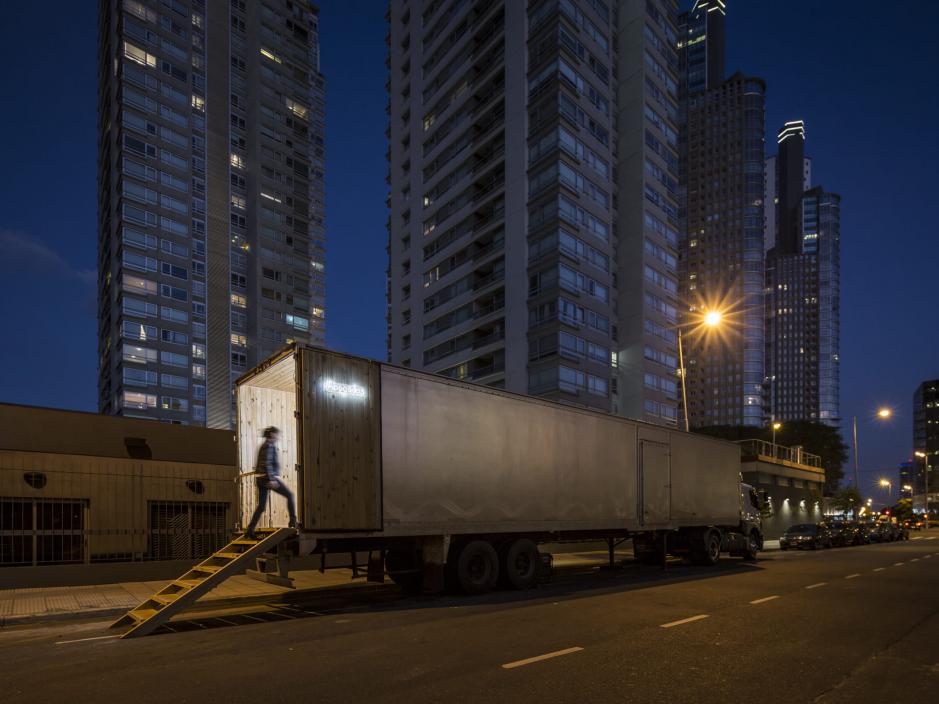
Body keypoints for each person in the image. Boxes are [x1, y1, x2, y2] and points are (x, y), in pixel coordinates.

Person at [245, 426, 297, 539]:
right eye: (277, 434)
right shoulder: (269, 446)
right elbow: (266, 463)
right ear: (272, 434)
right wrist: (272, 479)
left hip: (261, 478)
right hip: (267, 478)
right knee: (290, 495)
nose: (278, 436)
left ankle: (249, 530)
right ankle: (293, 522)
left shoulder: (265, 445)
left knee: (261, 506)